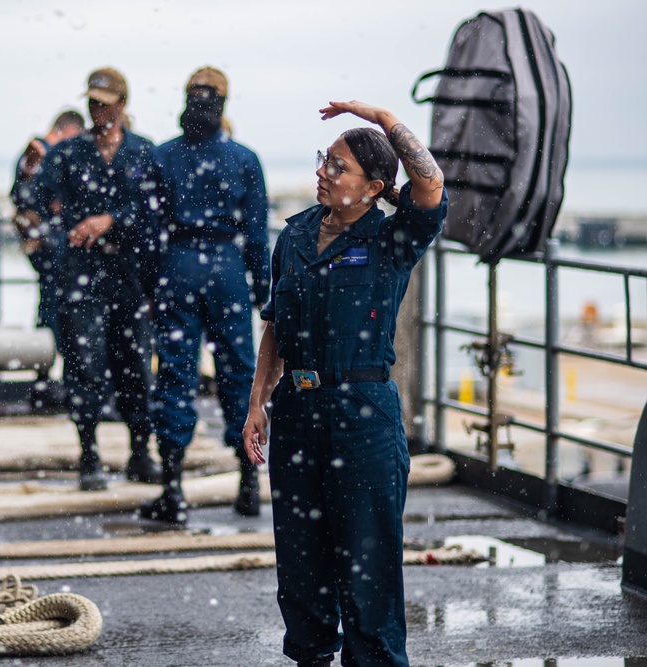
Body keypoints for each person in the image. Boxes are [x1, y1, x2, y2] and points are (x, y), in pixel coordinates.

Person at [243, 100, 446, 667]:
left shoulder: (393, 238)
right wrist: (258, 402)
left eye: (338, 167)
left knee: (368, 569)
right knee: (302, 570)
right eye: (323, 161)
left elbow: (430, 184)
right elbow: (275, 329)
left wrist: (383, 119)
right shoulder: (297, 235)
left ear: (374, 185)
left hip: (362, 416)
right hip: (297, 416)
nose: (324, 173)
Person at [142, 66, 269, 525]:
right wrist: (263, 290)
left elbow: (147, 230)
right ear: (224, 102)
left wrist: (151, 284)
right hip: (226, 266)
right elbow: (256, 235)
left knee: (176, 372)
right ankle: (248, 482)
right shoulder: (244, 159)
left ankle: (173, 488)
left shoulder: (162, 157)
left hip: (177, 264)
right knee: (239, 373)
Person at [32, 67, 163, 491]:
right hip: (81, 272)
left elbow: (154, 210)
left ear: (122, 104)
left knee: (135, 365)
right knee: (83, 366)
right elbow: (31, 198)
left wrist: (111, 220)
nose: (97, 111)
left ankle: (140, 453)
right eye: (91, 103)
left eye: (104, 103)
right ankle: (89, 456)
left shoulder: (145, 153)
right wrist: (31, 177)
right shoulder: (69, 153)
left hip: (129, 275)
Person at [10, 109, 85, 343]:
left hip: (46, 240)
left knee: (52, 299)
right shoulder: (44, 152)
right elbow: (24, 196)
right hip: (50, 241)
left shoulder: (39, 152)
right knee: (55, 301)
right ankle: (49, 352)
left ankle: (47, 354)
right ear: (71, 131)